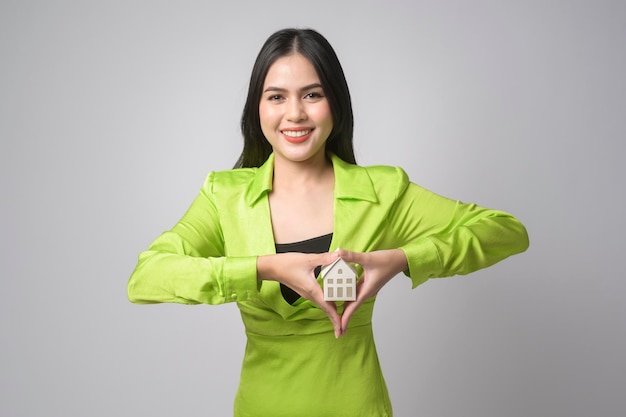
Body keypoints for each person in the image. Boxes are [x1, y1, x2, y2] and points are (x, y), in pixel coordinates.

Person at [127, 28, 529, 417]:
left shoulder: (382, 191)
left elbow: (506, 231)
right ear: (258, 107)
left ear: (335, 102)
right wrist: (262, 267)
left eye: (312, 95)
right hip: (261, 408)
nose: (295, 113)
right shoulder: (224, 196)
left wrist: (403, 259)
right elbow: (147, 277)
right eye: (276, 97)